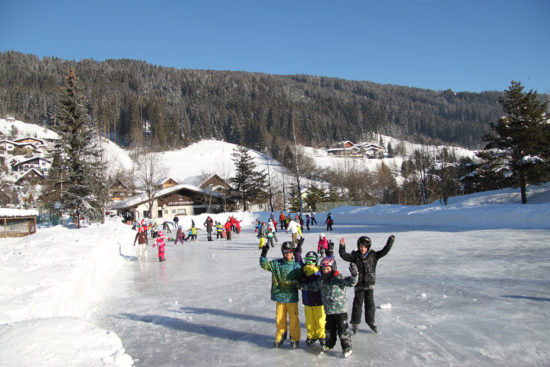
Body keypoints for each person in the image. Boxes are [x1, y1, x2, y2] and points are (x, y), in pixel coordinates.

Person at [298, 253, 358, 358]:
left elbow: (352, 282)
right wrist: (300, 285)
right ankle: (329, 344)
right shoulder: (322, 280)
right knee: (329, 329)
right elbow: (313, 286)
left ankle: (346, 347)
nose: (326, 271)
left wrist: (354, 275)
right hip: (328, 310)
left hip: (340, 310)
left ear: (333, 268)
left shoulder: (339, 278)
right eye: (324, 269)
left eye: (328, 269)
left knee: (342, 329)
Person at [339, 235, 395, 334]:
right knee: (357, 305)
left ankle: (371, 322)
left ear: (368, 247)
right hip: (359, 285)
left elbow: (384, 251)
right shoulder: (355, 256)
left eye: (365, 247)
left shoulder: (373, 255)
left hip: (369, 284)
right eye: (361, 246)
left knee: (370, 305)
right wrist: (342, 246)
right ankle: (355, 323)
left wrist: (390, 241)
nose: (363, 248)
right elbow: (344, 255)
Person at [260, 241, 303, 349]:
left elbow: (303, 277)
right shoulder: (276, 264)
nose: (288, 254)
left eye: (290, 252)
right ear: (282, 253)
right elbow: (264, 265)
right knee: (280, 318)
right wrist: (264, 254)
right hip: (279, 296)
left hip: (291, 297)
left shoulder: (296, 266)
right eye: (285, 252)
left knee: (293, 318)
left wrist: (299, 283)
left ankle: (294, 338)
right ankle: (280, 335)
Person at [296, 250, 326, 347]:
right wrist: (298, 251)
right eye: (308, 261)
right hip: (307, 299)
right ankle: (311, 335)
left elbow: (329, 266)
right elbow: (298, 261)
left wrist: (329, 253)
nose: (310, 263)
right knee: (309, 320)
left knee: (320, 319)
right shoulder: (303, 269)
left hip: (319, 299)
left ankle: (322, 335)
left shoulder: (320, 269)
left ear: (316, 261)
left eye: (313, 261)